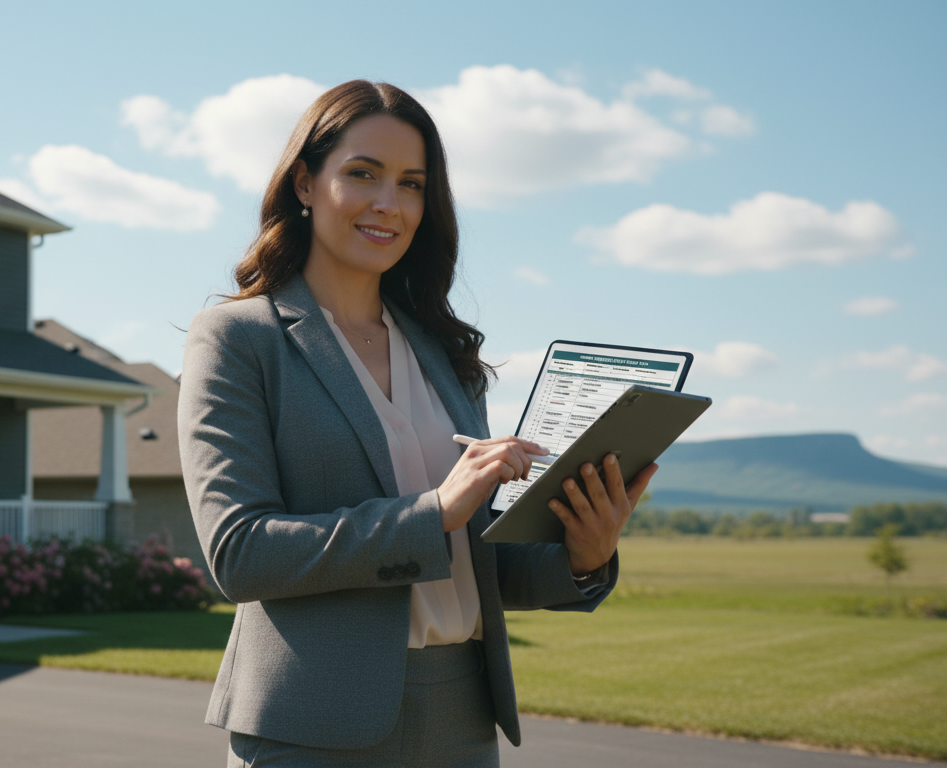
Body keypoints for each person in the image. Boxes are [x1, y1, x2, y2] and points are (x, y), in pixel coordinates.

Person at [178, 80, 656, 767]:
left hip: (462, 720)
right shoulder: (238, 338)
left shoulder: (447, 355)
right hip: (312, 725)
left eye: (411, 184)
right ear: (306, 184)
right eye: (362, 174)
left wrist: (583, 558)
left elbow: (475, 562)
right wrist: (432, 514)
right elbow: (240, 552)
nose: (388, 203)